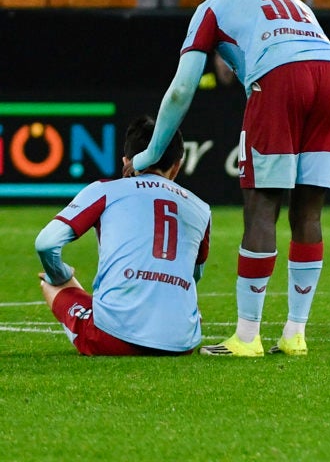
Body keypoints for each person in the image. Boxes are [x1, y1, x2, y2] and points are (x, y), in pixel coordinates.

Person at [126, 0, 330, 356]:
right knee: (309, 212)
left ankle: (247, 337)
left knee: (262, 208)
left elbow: (181, 90)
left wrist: (149, 155)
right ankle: (295, 334)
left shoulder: (210, 9)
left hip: (280, 74)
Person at [35, 115, 211, 356]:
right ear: (177, 165)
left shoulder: (106, 190)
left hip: (111, 339)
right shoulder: (201, 208)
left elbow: (46, 243)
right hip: (181, 343)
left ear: (126, 161)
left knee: (53, 283)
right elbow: (194, 275)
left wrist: (60, 274)